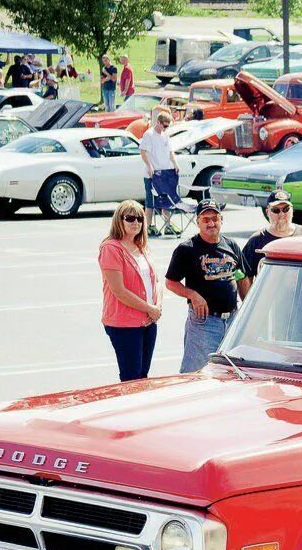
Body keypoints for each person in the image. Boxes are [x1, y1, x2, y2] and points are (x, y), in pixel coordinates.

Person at [164, 201, 249, 372]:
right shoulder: (186, 249)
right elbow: (171, 282)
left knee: (231, 372)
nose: (211, 223)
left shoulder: (231, 246)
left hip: (232, 320)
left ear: (221, 219)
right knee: (197, 373)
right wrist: (193, 295)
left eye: (215, 218)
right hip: (204, 323)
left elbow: (241, 277)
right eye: (206, 219)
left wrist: (248, 310)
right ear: (198, 222)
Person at [99, 200, 161, 381]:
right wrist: (150, 309)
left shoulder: (142, 246)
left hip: (149, 321)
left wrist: (157, 307)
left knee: (142, 376)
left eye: (140, 218)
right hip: (124, 324)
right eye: (130, 218)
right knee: (131, 379)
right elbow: (119, 291)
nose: (136, 222)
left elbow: (157, 281)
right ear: (119, 220)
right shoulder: (111, 248)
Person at [242, 189, 302, 278]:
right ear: (267, 212)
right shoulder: (256, 241)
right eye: (276, 210)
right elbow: (245, 276)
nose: (281, 214)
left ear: (292, 211)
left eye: (286, 209)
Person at [139, 111, 178, 233]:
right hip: (152, 174)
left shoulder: (165, 135)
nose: (166, 128)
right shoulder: (149, 135)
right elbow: (143, 152)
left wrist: (175, 163)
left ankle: (168, 225)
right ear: (158, 122)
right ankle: (148, 226)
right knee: (150, 201)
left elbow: (170, 151)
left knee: (166, 200)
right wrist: (149, 166)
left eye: (168, 126)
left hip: (165, 172)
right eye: (164, 125)